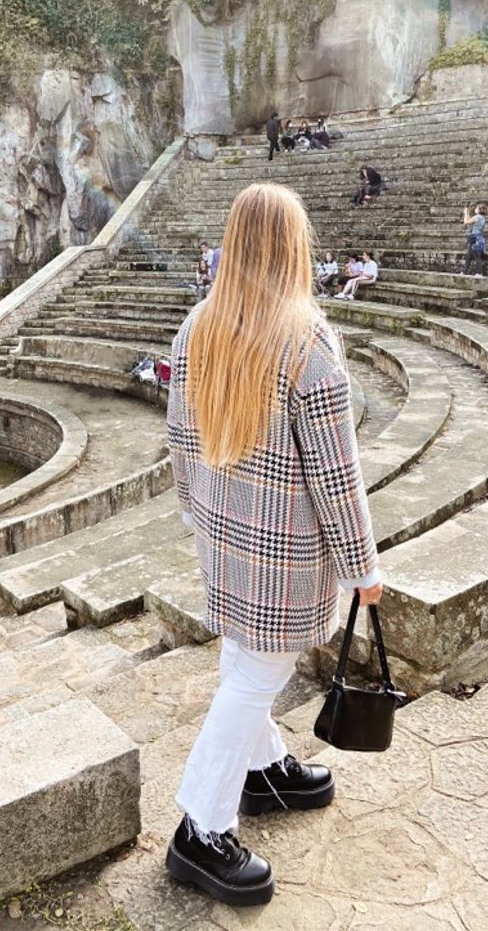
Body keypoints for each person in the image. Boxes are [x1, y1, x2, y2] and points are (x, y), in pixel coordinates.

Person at [165, 183, 382, 907]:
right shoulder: (304, 338)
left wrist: (196, 515)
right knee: (257, 675)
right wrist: (362, 567)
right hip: (281, 548)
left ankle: (261, 770)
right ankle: (200, 827)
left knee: (242, 659)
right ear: (293, 247)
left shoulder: (198, 323)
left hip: (222, 532)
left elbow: (176, 441)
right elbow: (335, 471)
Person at [461, 203, 488, 277]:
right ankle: (465, 271)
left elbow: (466, 222)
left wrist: (466, 213)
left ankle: (479, 273)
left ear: (479, 210)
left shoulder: (477, 217)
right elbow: (470, 221)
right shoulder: (481, 217)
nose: (475, 209)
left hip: (475, 238)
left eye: (476, 208)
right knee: (469, 256)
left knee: (476, 256)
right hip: (477, 237)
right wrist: (467, 214)